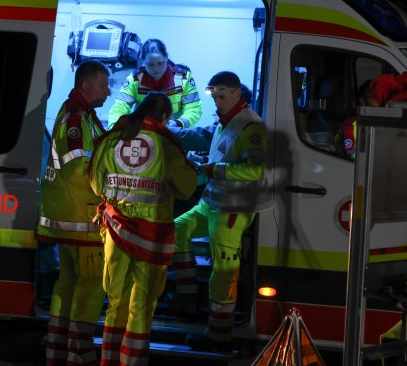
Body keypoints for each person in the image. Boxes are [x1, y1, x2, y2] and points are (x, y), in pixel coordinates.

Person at [88, 92, 197, 366]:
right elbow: (187, 188)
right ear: (163, 117)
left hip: (115, 230)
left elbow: (94, 183)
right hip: (152, 235)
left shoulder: (112, 138)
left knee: (115, 303)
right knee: (141, 306)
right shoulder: (166, 144)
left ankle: (109, 362)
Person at [165, 71, 271, 351]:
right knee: (176, 230)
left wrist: (215, 169)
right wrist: (204, 165)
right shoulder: (227, 122)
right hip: (212, 203)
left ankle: (218, 336)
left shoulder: (251, 127)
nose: (217, 102)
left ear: (237, 94)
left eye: (221, 96)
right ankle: (187, 299)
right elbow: (222, 157)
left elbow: (254, 169)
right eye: (215, 96)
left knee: (223, 273)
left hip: (231, 210)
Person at [36, 60, 111, 366]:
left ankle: (57, 350)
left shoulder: (81, 116)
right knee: (91, 285)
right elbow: (78, 171)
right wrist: (114, 187)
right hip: (81, 218)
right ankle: (80, 354)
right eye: (104, 84)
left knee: (67, 283)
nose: (108, 91)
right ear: (86, 86)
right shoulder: (77, 119)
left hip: (69, 217)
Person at [107, 38, 203, 129]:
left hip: (174, 131)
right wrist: (114, 130)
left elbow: (193, 109)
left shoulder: (183, 78)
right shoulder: (135, 80)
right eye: (150, 64)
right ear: (143, 62)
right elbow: (119, 108)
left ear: (166, 58)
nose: (156, 68)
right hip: (143, 133)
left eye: (160, 63)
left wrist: (178, 123)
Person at [336, 79, 380, 159]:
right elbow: (353, 155)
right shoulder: (352, 125)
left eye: (381, 97)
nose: (379, 102)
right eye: (374, 98)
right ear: (362, 101)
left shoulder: (382, 123)